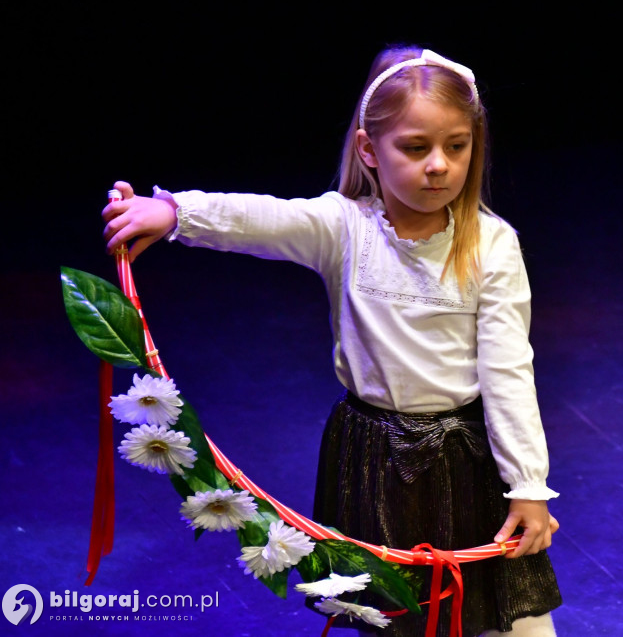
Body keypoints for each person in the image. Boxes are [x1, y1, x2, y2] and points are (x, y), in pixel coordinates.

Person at [101, 45, 562, 637]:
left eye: (457, 146)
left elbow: (508, 372)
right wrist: (170, 213)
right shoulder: (344, 227)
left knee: (503, 612)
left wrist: (528, 485)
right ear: (370, 151)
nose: (440, 165)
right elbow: (258, 219)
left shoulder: (492, 245)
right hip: (370, 455)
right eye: (416, 148)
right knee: (390, 614)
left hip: (466, 458)